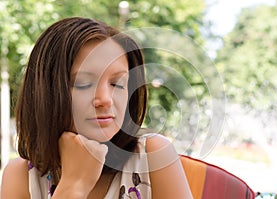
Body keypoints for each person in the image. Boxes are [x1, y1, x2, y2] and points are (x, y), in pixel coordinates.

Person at [1, 17, 193, 199]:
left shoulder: (152, 156)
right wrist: (73, 186)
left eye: (118, 84)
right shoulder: (20, 177)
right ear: (45, 92)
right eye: (83, 83)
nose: (106, 100)